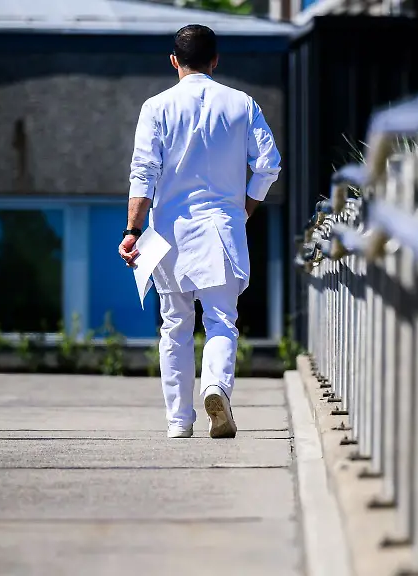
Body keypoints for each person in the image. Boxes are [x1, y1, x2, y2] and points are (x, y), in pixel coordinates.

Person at [119, 24, 281, 439]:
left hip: (169, 233)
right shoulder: (241, 103)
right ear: (215, 60)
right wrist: (244, 208)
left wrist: (132, 230)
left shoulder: (156, 107)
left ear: (174, 60)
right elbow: (267, 164)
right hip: (222, 230)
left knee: (174, 324)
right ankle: (215, 388)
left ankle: (178, 421)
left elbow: (143, 173)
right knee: (222, 320)